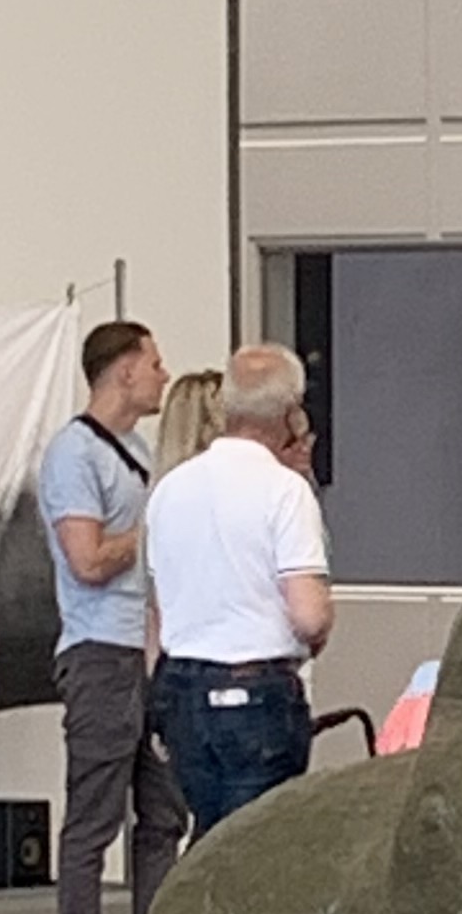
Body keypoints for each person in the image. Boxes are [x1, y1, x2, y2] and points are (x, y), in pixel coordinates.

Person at [35, 317, 183, 914]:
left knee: (165, 813)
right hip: (98, 652)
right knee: (94, 815)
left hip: (145, 651)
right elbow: (88, 559)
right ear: (123, 370)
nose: (163, 375)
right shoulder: (74, 453)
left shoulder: (143, 454)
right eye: (153, 363)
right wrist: (154, 531)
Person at [143, 343, 334, 840]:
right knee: (258, 845)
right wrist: (319, 630)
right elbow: (309, 616)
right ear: (291, 413)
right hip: (258, 692)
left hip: (183, 690)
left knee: (208, 837)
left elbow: (158, 612)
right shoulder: (284, 491)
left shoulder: (170, 490)